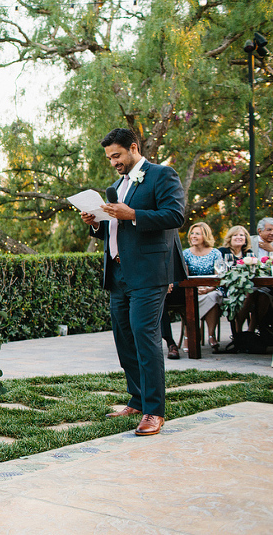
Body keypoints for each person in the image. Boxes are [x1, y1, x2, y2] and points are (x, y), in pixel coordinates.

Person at [80, 128, 184, 437]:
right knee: (124, 337)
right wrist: (97, 223)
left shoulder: (162, 175)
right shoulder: (115, 187)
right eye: (109, 157)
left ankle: (154, 410)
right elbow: (116, 229)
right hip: (118, 273)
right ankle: (137, 399)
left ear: (134, 148)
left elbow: (175, 215)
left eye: (117, 155)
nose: (113, 162)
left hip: (150, 272)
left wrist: (133, 213)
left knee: (144, 334)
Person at [182, 222, 223, 349]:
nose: (193, 236)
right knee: (190, 299)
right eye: (192, 233)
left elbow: (219, 276)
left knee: (214, 297)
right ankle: (190, 334)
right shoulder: (186, 253)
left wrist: (209, 288)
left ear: (205, 236)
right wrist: (196, 289)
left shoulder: (215, 253)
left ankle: (211, 335)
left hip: (212, 288)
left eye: (197, 234)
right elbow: (185, 277)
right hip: (192, 290)